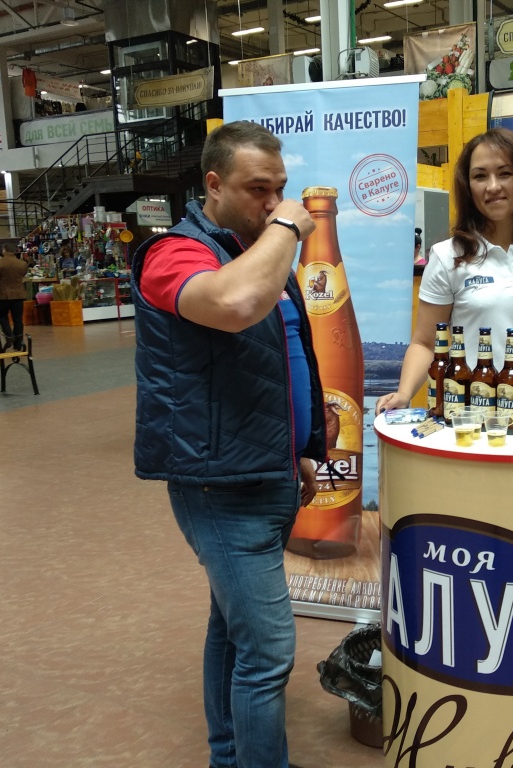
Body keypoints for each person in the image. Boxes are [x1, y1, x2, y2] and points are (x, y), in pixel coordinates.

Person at [131, 121, 326, 768]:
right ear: (213, 185)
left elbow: (282, 355)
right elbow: (235, 304)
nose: (273, 202)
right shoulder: (174, 253)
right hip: (221, 488)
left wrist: (298, 448)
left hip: (266, 471)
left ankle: (227, 756)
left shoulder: (257, 251)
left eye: (280, 189)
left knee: (232, 630)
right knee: (268, 652)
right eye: (257, 189)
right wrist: (288, 227)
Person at [375, 127, 513, 416]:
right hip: (472, 417)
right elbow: (425, 342)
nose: (493, 186)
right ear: (468, 186)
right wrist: (404, 394)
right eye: (480, 176)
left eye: (505, 173)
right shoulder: (448, 256)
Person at [0, 243, 29, 351]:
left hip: (3, 296)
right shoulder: (22, 264)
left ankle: (9, 336)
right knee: (18, 319)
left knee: (1, 316)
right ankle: (18, 343)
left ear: (4, 250)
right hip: (18, 295)